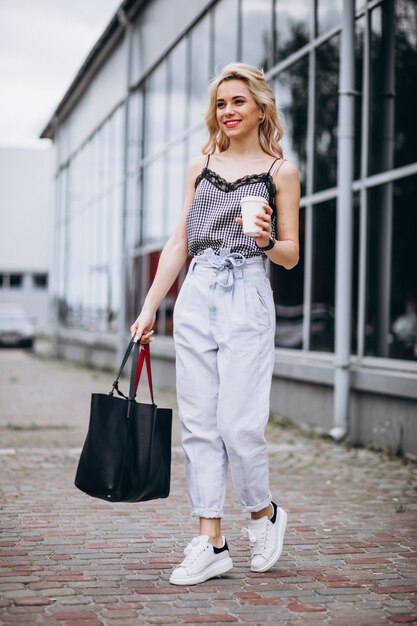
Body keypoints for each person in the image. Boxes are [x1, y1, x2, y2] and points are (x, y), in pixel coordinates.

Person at [130, 62, 300, 586]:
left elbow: (291, 256)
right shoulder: (200, 164)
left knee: (238, 424)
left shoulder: (280, 173)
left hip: (248, 290)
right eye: (221, 104)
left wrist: (269, 241)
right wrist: (150, 306)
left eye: (238, 102)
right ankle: (211, 540)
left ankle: (262, 514)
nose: (227, 112)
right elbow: (179, 243)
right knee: (199, 424)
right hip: (198, 290)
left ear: (261, 109)